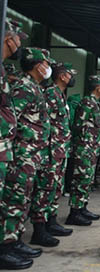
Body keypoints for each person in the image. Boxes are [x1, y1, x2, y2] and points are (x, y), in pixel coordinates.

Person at [1, 47, 55, 252]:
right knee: (14, 198)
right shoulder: (24, 87)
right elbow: (14, 119)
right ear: (37, 65)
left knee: (23, 198)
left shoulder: (34, 87)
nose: (48, 68)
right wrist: (23, 146)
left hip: (32, 154)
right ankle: (7, 245)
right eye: (46, 64)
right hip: (23, 154)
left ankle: (15, 241)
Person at [0, 20, 37, 271]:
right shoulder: (21, 84)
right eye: (17, 37)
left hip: (11, 148)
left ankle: (11, 243)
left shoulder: (3, 71)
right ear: (7, 38)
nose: (19, 43)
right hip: (14, 148)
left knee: (16, 197)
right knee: (11, 199)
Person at [33, 63, 76, 243]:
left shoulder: (59, 94)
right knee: (45, 188)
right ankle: (39, 230)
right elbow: (45, 123)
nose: (72, 78)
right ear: (62, 76)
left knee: (55, 188)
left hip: (59, 150)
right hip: (51, 150)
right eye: (70, 74)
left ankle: (51, 221)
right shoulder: (50, 93)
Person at [65, 75, 100, 226]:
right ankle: (74, 213)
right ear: (98, 87)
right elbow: (78, 125)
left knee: (87, 179)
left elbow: (96, 125)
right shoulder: (87, 102)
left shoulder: (95, 103)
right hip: (84, 147)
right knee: (80, 179)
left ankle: (82, 207)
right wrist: (85, 140)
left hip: (92, 148)